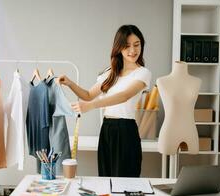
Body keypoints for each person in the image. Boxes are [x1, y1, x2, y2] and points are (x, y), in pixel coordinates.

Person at [57, 25, 151, 177]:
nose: (133, 50)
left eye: (136, 45)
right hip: (107, 129)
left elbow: (124, 96)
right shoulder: (111, 73)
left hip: (126, 130)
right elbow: (88, 95)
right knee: (105, 179)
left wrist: (91, 106)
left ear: (142, 45)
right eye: (127, 46)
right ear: (119, 48)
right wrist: (70, 83)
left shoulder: (142, 73)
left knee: (125, 181)